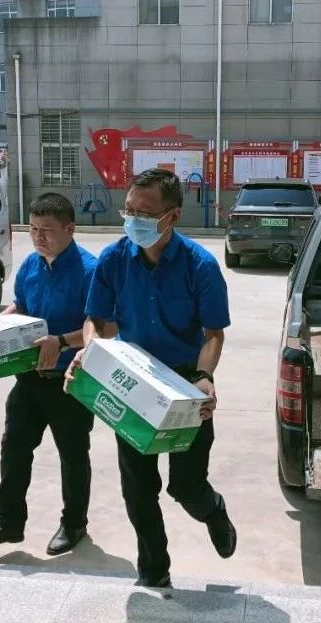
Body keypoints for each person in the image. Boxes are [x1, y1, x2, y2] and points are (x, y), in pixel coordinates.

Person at [66, 168, 237, 588]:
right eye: (128, 210)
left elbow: (213, 334)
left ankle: (212, 509)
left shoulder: (200, 265)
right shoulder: (113, 260)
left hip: (185, 383)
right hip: (135, 381)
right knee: (139, 488)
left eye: (144, 213)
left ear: (172, 216)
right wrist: (91, 350)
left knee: (186, 486)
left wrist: (204, 377)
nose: (132, 220)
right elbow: (95, 320)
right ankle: (154, 569)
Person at [0, 193, 100, 555]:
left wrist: (62, 341)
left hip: (69, 381)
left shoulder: (90, 271)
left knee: (73, 455)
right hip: (28, 377)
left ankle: (74, 524)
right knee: (14, 447)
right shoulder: (30, 265)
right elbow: (20, 306)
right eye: (33, 229)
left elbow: (101, 326)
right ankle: (10, 521)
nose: (39, 237)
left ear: (70, 229)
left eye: (47, 230)